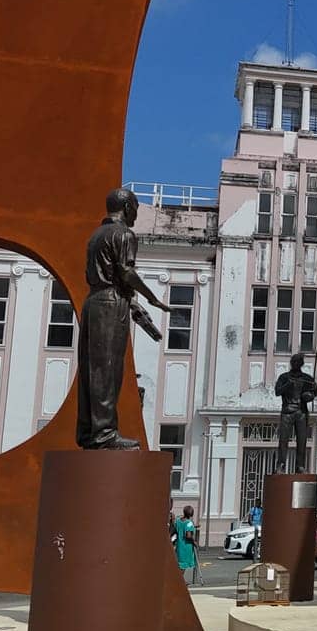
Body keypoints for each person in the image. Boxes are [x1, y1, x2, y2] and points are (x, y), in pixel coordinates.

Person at [76, 188, 170, 450]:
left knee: (91, 370)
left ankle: (88, 432)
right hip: (111, 304)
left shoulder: (96, 236)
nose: (137, 215)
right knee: (108, 369)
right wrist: (152, 297)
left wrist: (134, 305)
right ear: (128, 207)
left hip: (93, 301)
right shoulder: (124, 234)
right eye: (136, 208)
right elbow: (126, 272)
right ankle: (105, 434)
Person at [275, 353, 317, 473]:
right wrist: (288, 384)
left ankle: (300, 466)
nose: (295, 364)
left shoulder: (306, 378)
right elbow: (277, 392)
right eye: (294, 362)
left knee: (302, 440)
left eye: (298, 362)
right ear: (291, 363)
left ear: (301, 364)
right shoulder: (284, 377)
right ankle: (281, 464)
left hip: (301, 412)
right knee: (283, 439)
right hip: (287, 411)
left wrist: (314, 390)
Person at [173, 506, 198, 583]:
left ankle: (178, 580)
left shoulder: (178, 521)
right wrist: (194, 542)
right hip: (186, 547)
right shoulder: (189, 523)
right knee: (183, 565)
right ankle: (179, 581)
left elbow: (179, 528)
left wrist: (194, 526)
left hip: (179, 545)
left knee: (179, 564)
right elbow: (188, 535)